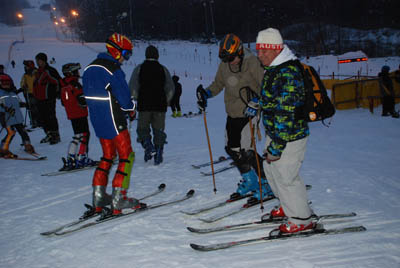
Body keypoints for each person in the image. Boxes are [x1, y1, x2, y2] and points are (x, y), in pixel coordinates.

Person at [196, 33, 273, 202]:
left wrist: (257, 101)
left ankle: (267, 183)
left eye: (231, 57)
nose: (229, 61)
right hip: (232, 112)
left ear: (239, 51)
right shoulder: (225, 65)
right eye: (225, 58)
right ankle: (250, 180)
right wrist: (206, 94)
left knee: (247, 151)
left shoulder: (252, 62)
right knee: (232, 149)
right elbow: (217, 84)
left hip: (250, 113)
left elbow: (267, 87)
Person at [256, 28, 313, 233]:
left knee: (287, 176)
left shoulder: (288, 73)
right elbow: (273, 100)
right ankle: (287, 205)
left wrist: (277, 147)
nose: (260, 55)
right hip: (277, 134)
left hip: (290, 135)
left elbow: (286, 114)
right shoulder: (274, 68)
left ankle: (301, 219)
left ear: (276, 49)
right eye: (258, 50)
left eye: (264, 51)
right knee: (272, 170)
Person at [82, 33, 145, 216]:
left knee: (107, 156)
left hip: (97, 120)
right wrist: (131, 108)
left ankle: (99, 196)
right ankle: (119, 198)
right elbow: (125, 99)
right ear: (116, 51)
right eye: (126, 53)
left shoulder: (89, 68)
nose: (125, 58)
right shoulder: (112, 69)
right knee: (127, 156)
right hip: (114, 119)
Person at [128, 45, 174, 165]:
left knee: (142, 129)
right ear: (157, 55)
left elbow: (132, 87)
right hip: (160, 106)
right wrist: (166, 101)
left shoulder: (139, 68)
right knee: (158, 130)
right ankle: (158, 152)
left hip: (144, 105)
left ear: (146, 55)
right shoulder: (163, 69)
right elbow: (170, 88)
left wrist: (138, 98)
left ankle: (148, 146)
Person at [59, 62, 96, 171]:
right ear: (72, 73)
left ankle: (71, 157)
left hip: (72, 114)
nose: (78, 73)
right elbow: (82, 100)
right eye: (76, 71)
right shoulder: (75, 85)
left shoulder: (64, 85)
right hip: (80, 113)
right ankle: (82, 157)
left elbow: (63, 102)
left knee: (77, 135)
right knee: (84, 134)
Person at [0, 74, 36, 158]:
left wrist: (24, 104)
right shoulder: (0, 93)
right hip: (6, 117)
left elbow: (17, 102)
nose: (6, 84)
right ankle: (3, 149)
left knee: (23, 131)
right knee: (11, 133)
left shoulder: (12, 92)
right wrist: (6, 109)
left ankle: (27, 145)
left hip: (17, 116)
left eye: (8, 82)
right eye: (4, 83)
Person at [33, 52, 62, 144]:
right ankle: (49, 134)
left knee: (50, 116)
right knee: (42, 118)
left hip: (48, 98)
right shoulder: (38, 72)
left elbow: (58, 81)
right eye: (37, 60)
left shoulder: (50, 70)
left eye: (39, 60)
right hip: (39, 98)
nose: (38, 62)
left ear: (44, 61)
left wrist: (57, 93)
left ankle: (55, 135)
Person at [20, 60, 40, 128]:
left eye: (27, 66)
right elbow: (22, 83)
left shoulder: (36, 73)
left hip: (37, 92)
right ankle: (33, 121)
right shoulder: (25, 75)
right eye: (25, 66)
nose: (25, 68)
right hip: (29, 93)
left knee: (37, 107)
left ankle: (39, 121)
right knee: (31, 108)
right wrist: (23, 86)